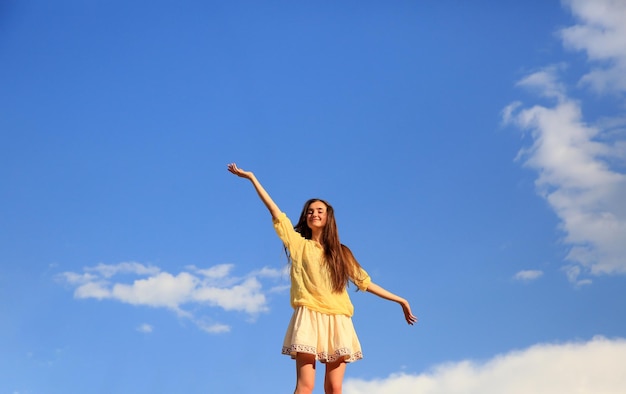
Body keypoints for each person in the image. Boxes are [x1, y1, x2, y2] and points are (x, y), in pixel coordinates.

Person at [227, 163, 417, 394]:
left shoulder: (341, 253)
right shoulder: (298, 245)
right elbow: (276, 213)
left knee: (334, 388)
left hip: (338, 319)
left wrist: (401, 300)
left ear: (328, 218)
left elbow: (365, 283)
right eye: (310, 211)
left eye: (319, 211)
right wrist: (252, 178)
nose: (314, 214)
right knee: (305, 387)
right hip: (308, 314)